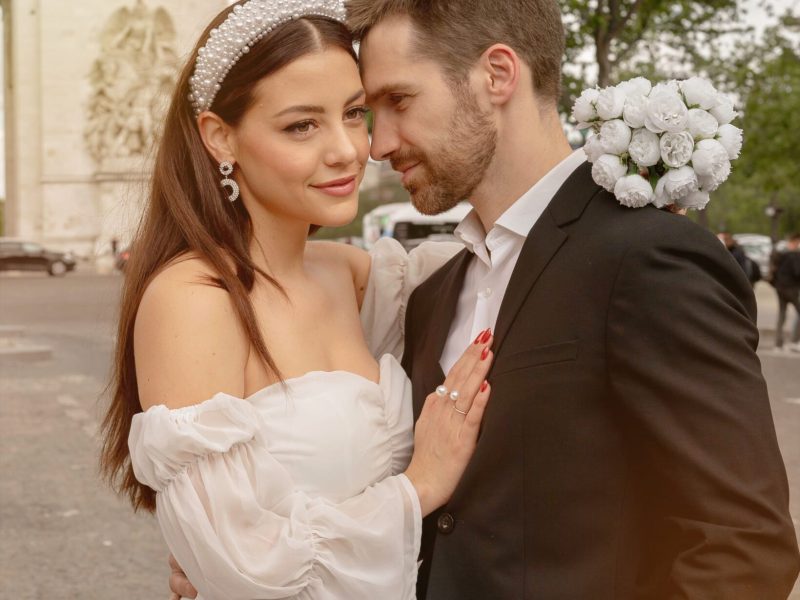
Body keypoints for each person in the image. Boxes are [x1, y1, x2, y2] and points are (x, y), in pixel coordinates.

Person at [346, 0, 800, 598]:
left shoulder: (648, 258)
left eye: (398, 101)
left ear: (498, 75)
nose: (378, 144)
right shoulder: (433, 294)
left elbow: (740, 545)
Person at [99, 2, 493, 599]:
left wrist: (629, 174)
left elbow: (511, 257)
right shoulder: (194, 299)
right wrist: (419, 487)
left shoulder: (361, 277)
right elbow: (241, 567)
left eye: (354, 113)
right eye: (301, 125)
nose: (348, 150)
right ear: (220, 136)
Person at [771, 233, 800, 351]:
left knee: (782, 315)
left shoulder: (781, 254)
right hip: (791, 288)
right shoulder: (795, 255)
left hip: (780, 288)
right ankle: (794, 341)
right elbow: (798, 272)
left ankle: (778, 344)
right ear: (795, 242)